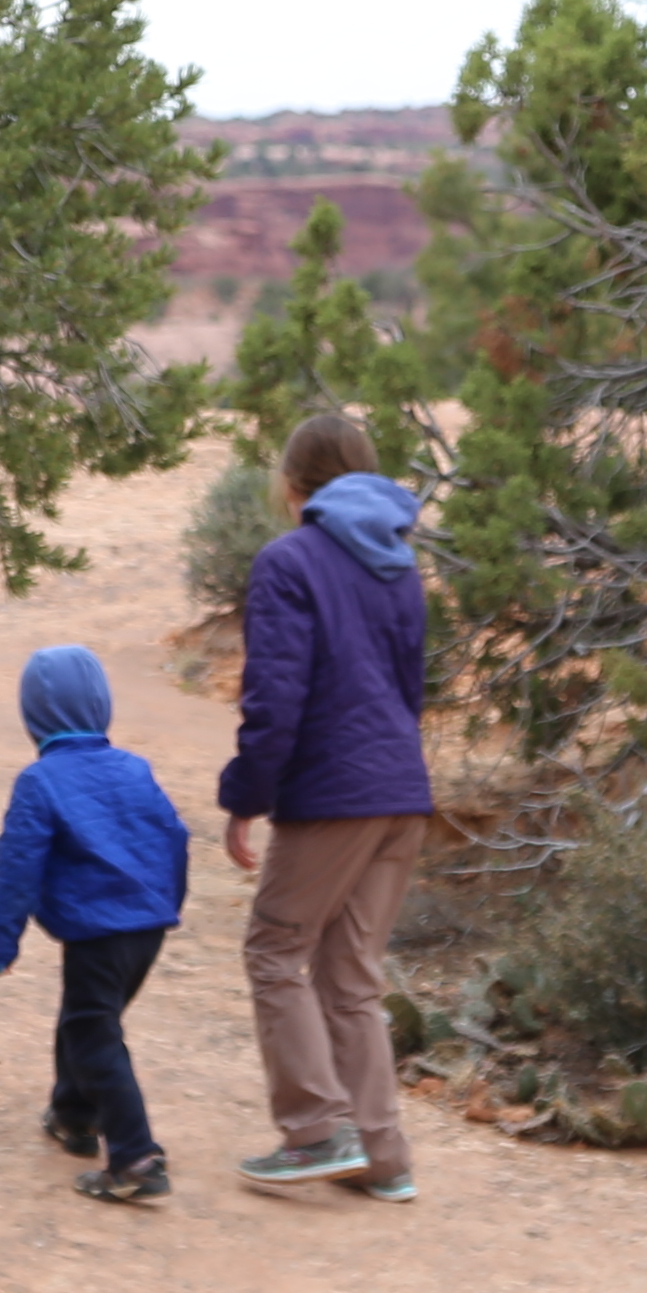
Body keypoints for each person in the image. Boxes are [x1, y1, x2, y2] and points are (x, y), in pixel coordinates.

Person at [212, 409, 432, 1199]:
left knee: (275, 949)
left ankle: (314, 1132)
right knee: (350, 974)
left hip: (335, 793)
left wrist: (245, 797)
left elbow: (275, 697)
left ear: (293, 483)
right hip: (402, 793)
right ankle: (381, 1157)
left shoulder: (288, 561)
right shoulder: (400, 565)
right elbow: (410, 692)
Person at [0, 642, 189, 1205]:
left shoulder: (40, 782)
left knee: (95, 1034)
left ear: (34, 716)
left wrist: (2, 940)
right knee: (87, 1020)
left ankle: (134, 1156)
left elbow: (17, 867)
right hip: (146, 929)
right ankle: (73, 1115)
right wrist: (168, 902)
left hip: (99, 932)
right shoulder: (133, 767)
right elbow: (174, 837)